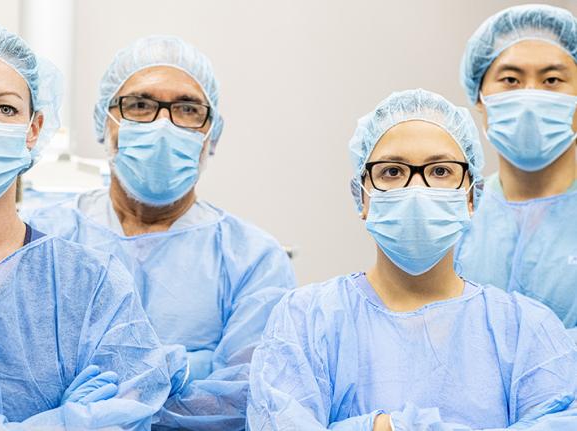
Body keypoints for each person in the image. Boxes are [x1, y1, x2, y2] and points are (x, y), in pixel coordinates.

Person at [246, 89, 577, 430]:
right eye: (391, 171)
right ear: (363, 196)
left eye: (440, 171)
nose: (417, 189)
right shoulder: (306, 320)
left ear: (471, 196)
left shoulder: (526, 329)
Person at [23, 35, 296, 430]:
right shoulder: (42, 237)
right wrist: (182, 373)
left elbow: (244, 396)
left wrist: (100, 409)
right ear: (106, 121)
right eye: (140, 105)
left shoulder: (253, 259)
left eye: (187, 109)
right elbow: (17, 377)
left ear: (210, 133)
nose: (163, 124)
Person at [0, 22, 177, 430]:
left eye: (4, 108)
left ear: (34, 129)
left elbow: (126, 409)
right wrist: (60, 422)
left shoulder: (91, 283)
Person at [454, 4, 577, 331]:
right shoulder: (453, 219)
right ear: (480, 97)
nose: (530, 98)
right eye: (510, 79)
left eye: (552, 80)